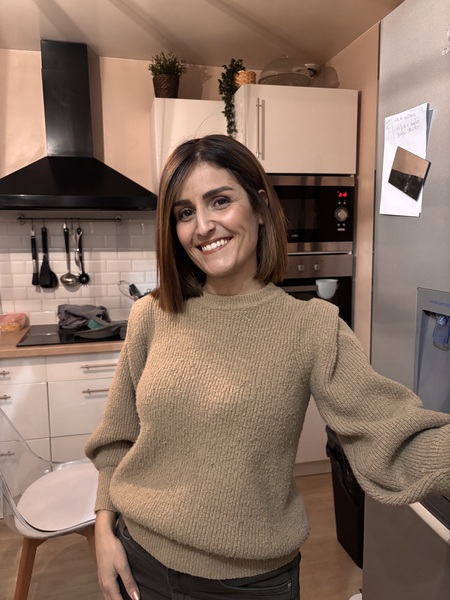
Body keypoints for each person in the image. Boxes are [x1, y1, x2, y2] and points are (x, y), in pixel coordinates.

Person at [85, 134, 450, 600]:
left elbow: (389, 435)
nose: (203, 226)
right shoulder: (151, 315)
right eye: (185, 212)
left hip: (249, 584)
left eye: (220, 201)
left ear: (259, 206)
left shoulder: (311, 327)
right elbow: (118, 438)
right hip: (140, 561)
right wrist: (103, 531)